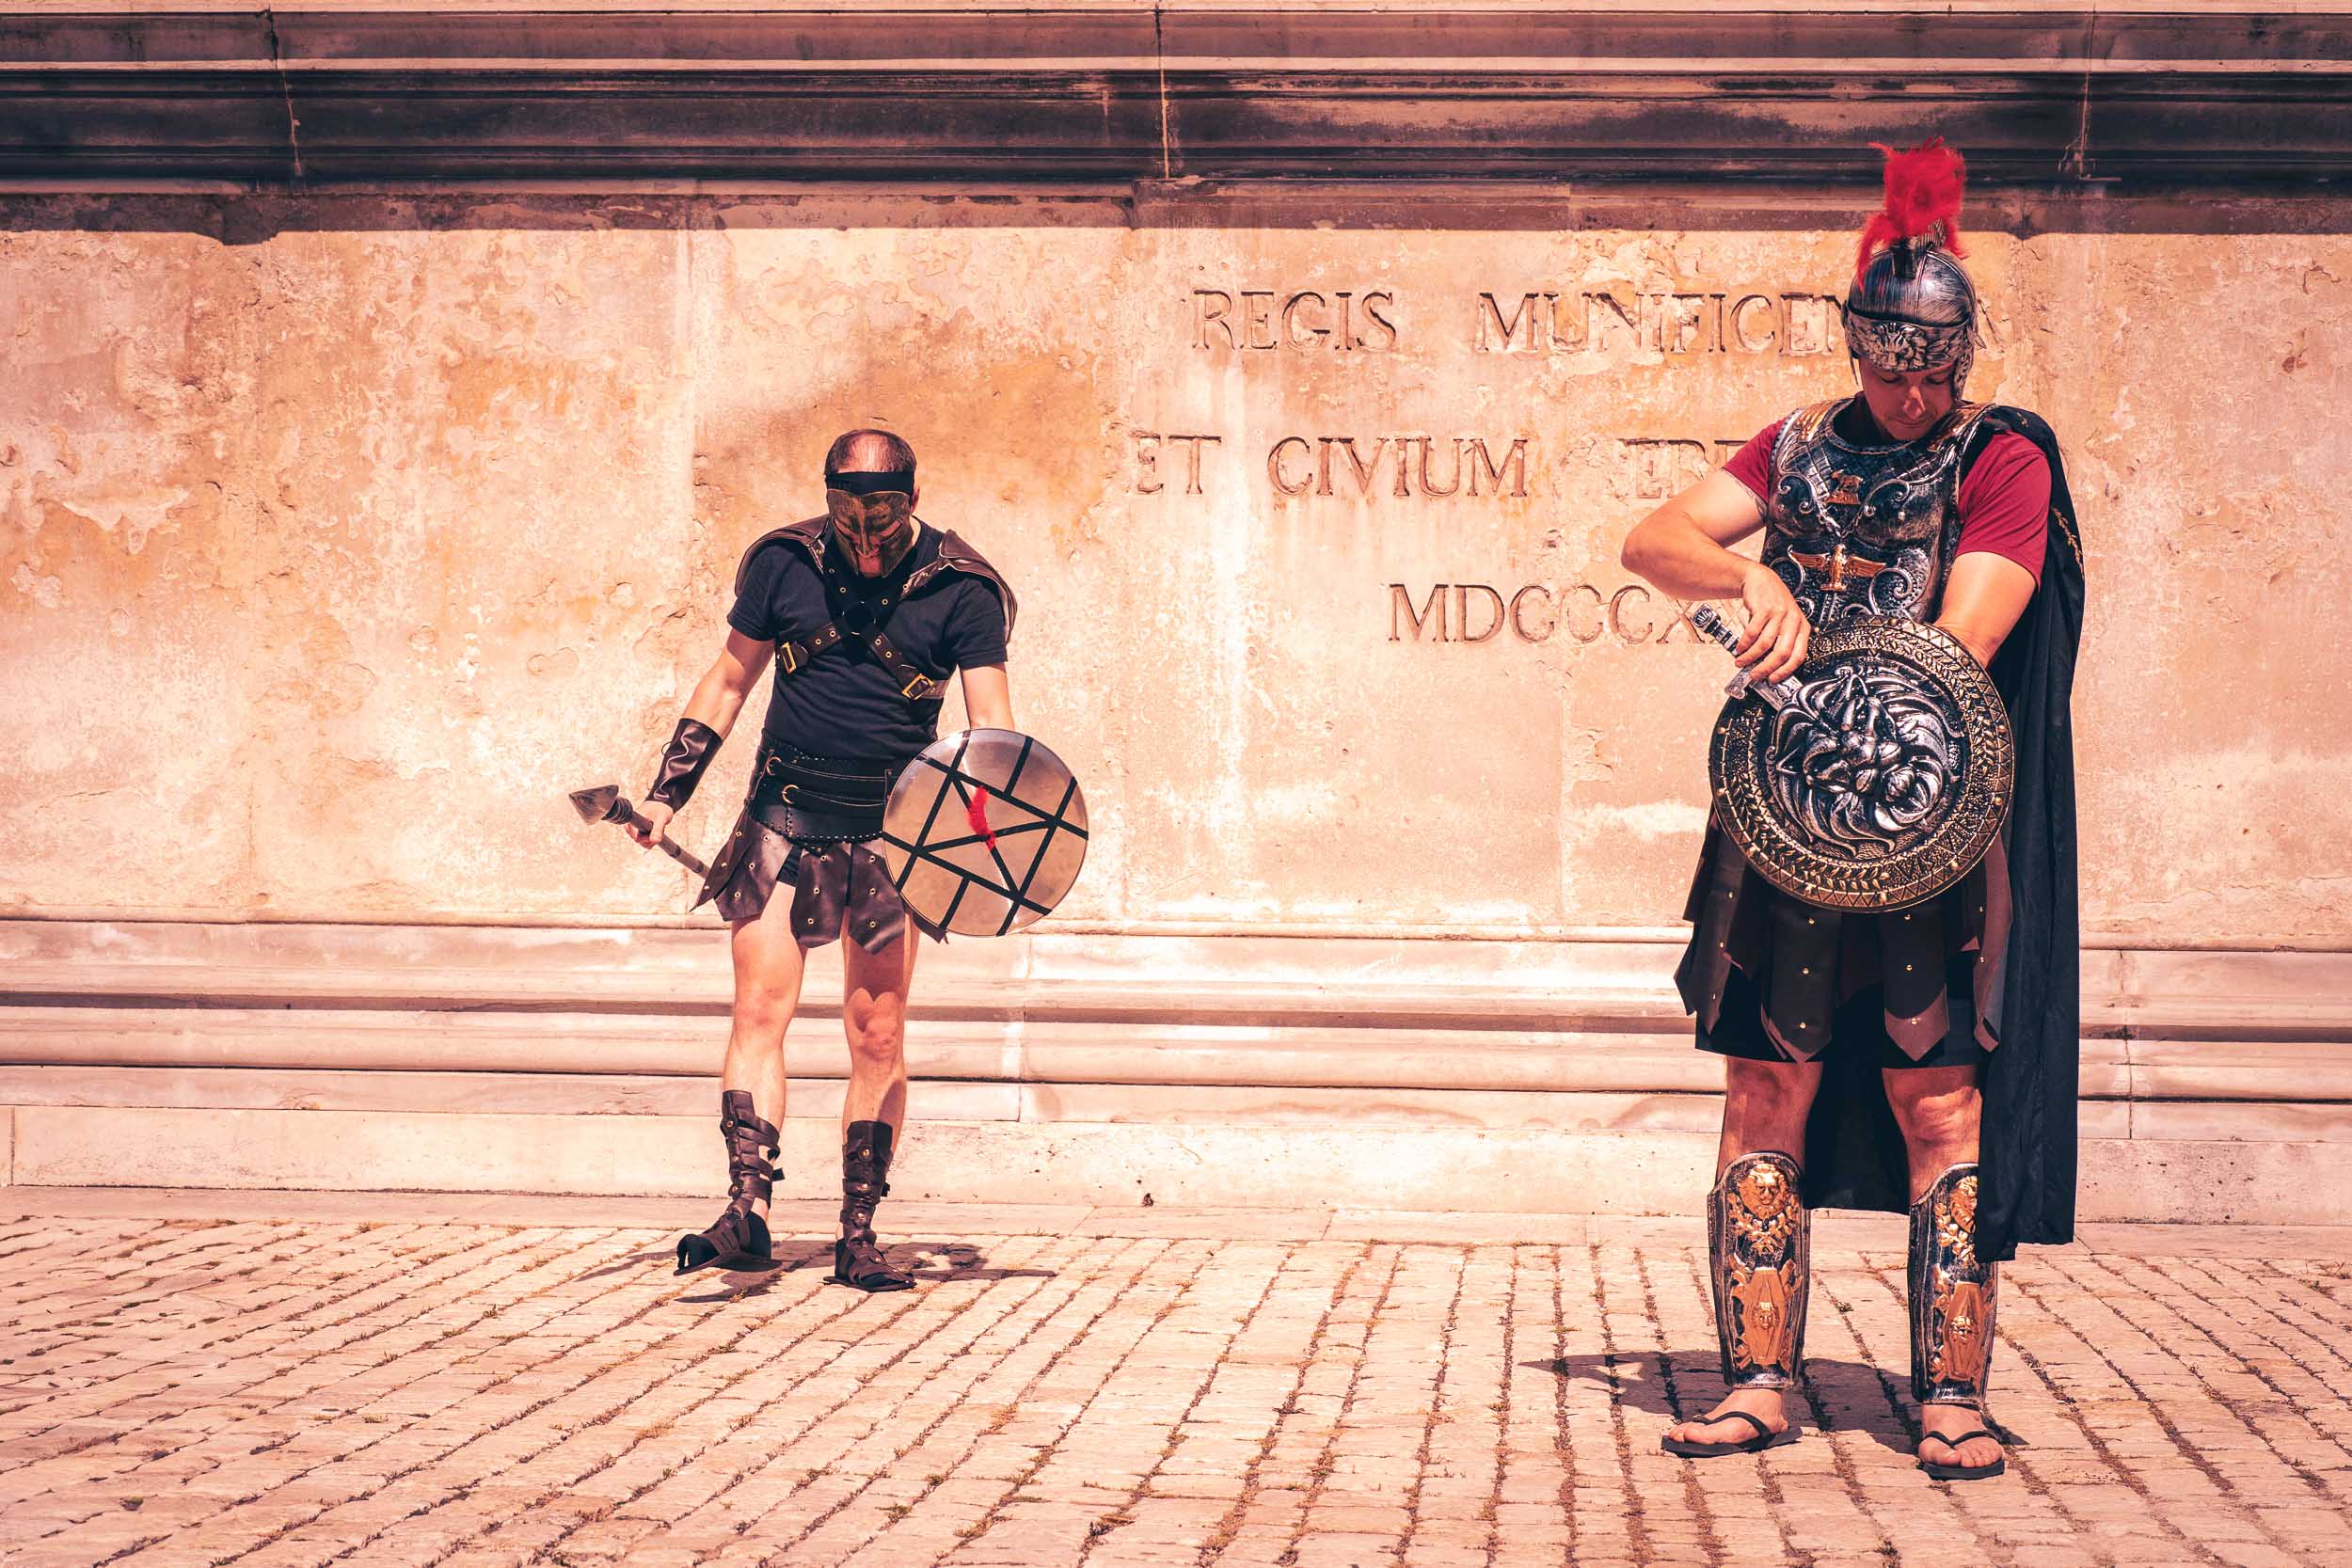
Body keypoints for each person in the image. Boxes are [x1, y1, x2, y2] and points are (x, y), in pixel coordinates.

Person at [1619, 140, 2086, 1481]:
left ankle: (1952, 1396)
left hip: (1926, 820)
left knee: (1938, 1096)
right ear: (1859, 346)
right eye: (1889, 364)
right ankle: (1759, 1380)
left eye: (1930, 368)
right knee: (1765, 1081)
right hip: (1782, 815)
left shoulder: (2002, 459)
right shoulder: (1799, 443)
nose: (1909, 389)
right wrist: (1742, 578)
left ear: (1960, 357)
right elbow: (1650, 539)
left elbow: (1960, 635)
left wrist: (1822, 632)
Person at [634, 429, 1016, 1291]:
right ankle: (747, 1212)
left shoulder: (963, 589)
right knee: (759, 1008)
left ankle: (858, 1229)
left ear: (911, 501)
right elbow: (729, 681)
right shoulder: (785, 565)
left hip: (893, 834)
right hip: (783, 815)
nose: (867, 538)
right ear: (830, 501)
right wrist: (668, 792)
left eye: (882, 518)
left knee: (875, 1030)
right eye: (850, 518)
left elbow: (989, 734)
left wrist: (986, 844)